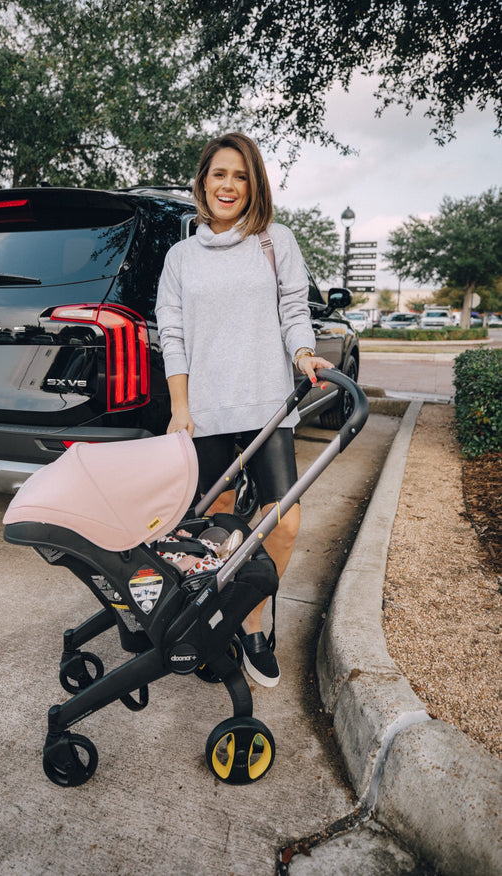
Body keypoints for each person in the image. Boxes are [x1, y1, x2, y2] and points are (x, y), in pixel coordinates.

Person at [155, 132, 333, 687]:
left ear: (253, 183)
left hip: (266, 407)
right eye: (218, 174)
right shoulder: (180, 256)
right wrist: (181, 408)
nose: (228, 185)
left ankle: (252, 620)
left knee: (283, 521)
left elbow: (292, 308)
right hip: (205, 412)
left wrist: (303, 352)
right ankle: (217, 619)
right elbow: (173, 334)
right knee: (217, 531)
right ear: (202, 182)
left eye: (240, 175)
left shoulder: (273, 241)